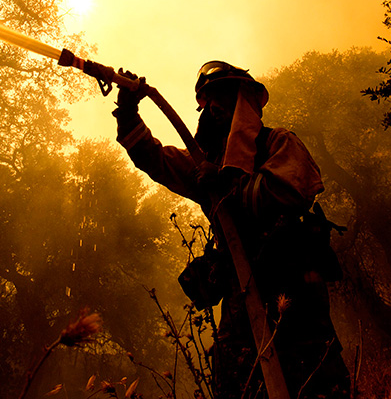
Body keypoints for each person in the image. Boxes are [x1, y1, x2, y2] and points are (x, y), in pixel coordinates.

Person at [112, 61, 350, 399]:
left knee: (315, 383)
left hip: (293, 293)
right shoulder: (205, 162)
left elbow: (289, 191)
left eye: (222, 95)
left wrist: (226, 183)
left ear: (244, 100)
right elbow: (155, 160)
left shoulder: (277, 143)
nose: (213, 106)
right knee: (240, 382)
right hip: (242, 299)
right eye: (207, 100)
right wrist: (127, 110)